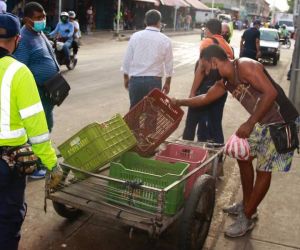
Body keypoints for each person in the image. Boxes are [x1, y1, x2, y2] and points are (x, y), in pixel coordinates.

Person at [172, 44, 300, 238]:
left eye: (206, 69)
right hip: (263, 122)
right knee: (243, 156)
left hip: (283, 122)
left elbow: (271, 93)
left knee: (263, 170)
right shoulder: (225, 82)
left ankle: (247, 217)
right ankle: (248, 204)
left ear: (214, 62)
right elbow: (205, 97)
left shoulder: (246, 66)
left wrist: (249, 123)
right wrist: (180, 102)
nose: (205, 74)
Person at [0, 13, 63, 250]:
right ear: (17, 40)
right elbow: (37, 131)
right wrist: (51, 164)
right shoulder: (18, 72)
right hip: (7, 165)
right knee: (7, 221)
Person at [14, 2, 59, 178]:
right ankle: (35, 165)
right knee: (40, 130)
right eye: (38, 17)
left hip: (49, 89)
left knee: (47, 125)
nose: (43, 20)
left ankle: (39, 160)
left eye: (44, 16)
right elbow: (22, 67)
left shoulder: (39, 34)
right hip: (37, 92)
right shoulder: (24, 40)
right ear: (27, 20)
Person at [183, 19, 234, 144]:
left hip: (206, 87)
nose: (204, 31)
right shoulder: (227, 46)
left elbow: (201, 69)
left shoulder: (207, 42)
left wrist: (193, 92)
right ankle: (217, 156)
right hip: (221, 90)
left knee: (191, 121)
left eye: (205, 29)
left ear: (208, 29)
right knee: (214, 123)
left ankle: (186, 150)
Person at [122, 9, 173, 109]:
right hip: (154, 82)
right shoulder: (165, 40)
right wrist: (168, 82)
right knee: (152, 114)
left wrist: (126, 78)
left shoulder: (135, 37)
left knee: (134, 113)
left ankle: (133, 125)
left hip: (136, 81)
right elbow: (169, 64)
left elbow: (127, 59)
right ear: (159, 22)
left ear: (145, 21)